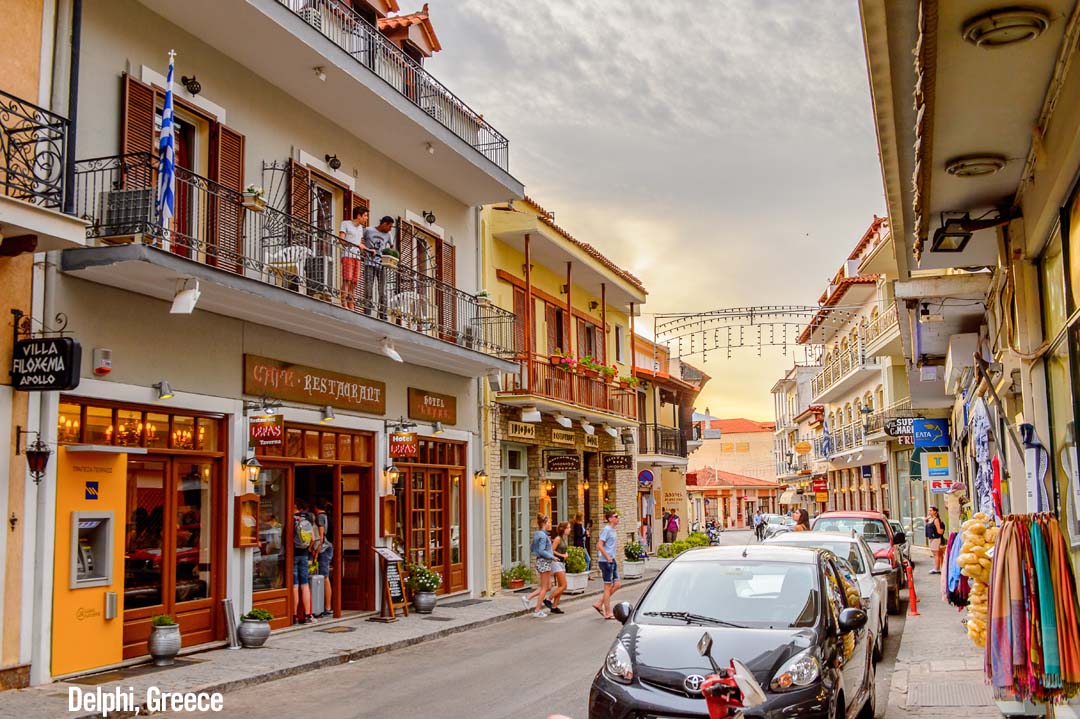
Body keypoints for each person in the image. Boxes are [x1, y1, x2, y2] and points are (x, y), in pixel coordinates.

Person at [362, 216, 394, 318]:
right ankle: (367, 311)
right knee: (368, 288)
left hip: (381, 265)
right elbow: (360, 239)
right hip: (369, 263)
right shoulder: (368, 230)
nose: (390, 229)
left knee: (382, 290)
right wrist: (363, 250)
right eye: (389, 226)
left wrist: (391, 257)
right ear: (384, 224)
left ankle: (383, 313)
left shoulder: (388, 235)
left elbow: (392, 248)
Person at [592, 510, 622, 620]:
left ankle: (599, 602)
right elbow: (599, 545)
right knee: (607, 586)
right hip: (606, 561)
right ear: (610, 519)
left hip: (612, 560)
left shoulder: (613, 530)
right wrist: (607, 557)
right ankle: (608, 612)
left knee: (617, 584)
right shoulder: (606, 530)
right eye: (615, 516)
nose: (617, 518)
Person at [292, 500, 317, 624]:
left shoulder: (291, 519)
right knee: (305, 585)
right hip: (304, 554)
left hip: (293, 555)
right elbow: (313, 538)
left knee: (294, 586)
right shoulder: (306, 519)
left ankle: (294, 616)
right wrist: (308, 548)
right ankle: (307, 615)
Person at [338, 206, 368, 310]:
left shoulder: (361, 228)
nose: (366, 218)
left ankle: (351, 303)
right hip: (347, 255)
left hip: (357, 256)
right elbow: (341, 240)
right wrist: (355, 245)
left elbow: (358, 242)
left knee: (354, 281)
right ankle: (344, 303)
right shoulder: (345, 223)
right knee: (347, 279)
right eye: (365, 216)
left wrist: (365, 247)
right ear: (358, 216)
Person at [524, 514, 554, 618]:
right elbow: (541, 550)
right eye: (549, 522)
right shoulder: (542, 535)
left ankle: (528, 597)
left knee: (548, 586)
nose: (550, 524)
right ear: (544, 524)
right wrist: (552, 556)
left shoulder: (538, 534)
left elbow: (532, 547)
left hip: (542, 561)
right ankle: (537, 610)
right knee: (544, 588)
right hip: (544, 561)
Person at [312, 498, 333, 618]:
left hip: (324, 548)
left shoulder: (320, 517)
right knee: (325, 577)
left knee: (324, 577)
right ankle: (326, 606)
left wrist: (316, 550)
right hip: (330, 546)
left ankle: (327, 607)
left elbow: (320, 536)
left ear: (316, 507)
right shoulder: (329, 516)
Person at [547, 522, 571, 615]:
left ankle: (554, 606)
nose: (570, 529)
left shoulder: (564, 539)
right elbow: (552, 551)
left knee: (561, 586)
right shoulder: (557, 539)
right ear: (563, 529)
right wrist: (562, 555)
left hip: (562, 563)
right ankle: (548, 599)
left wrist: (566, 554)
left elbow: (564, 550)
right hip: (556, 562)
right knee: (564, 585)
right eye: (568, 528)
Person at [926, 505, 946, 574]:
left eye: (931, 510)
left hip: (936, 539)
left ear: (935, 512)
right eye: (929, 510)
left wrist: (941, 531)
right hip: (933, 538)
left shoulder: (936, 520)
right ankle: (942, 567)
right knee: (938, 554)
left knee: (936, 554)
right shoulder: (930, 519)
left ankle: (937, 568)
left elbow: (939, 531)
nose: (929, 512)